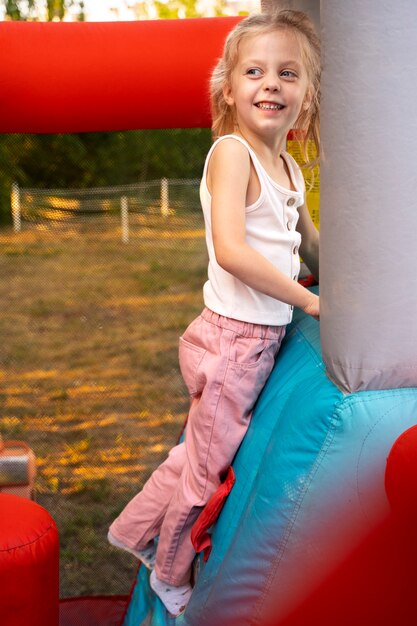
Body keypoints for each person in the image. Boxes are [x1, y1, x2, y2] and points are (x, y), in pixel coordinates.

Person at [108, 8, 320, 617]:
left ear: (306, 94)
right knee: (207, 470)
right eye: (254, 71)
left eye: (288, 73)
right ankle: (170, 574)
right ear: (228, 88)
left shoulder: (288, 169)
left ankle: (133, 529)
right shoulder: (233, 153)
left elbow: (307, 241)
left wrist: (343, 279)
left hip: (243, 341)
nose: (271, 84)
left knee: (188, 457)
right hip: (234, 344)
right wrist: (308, 298)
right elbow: (231, 250)